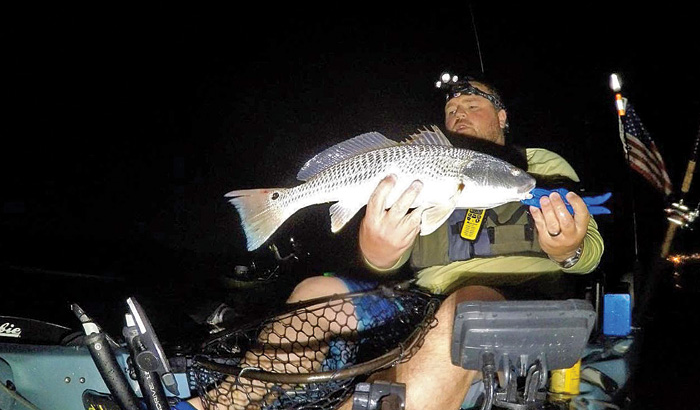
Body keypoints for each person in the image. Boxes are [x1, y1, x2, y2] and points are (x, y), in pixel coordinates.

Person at [190, 74, 604, 410]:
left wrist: (567, 249)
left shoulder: (540, 166)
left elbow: (590, 253)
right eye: (451, 110)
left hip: (515, 301)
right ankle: (217, 404)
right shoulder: (428, 165)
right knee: (316, 293)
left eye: (472, 106)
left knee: (467, 309)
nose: (458, 114)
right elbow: (386, 264)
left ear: (502, 116)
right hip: (421, 302)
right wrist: (377, 248)